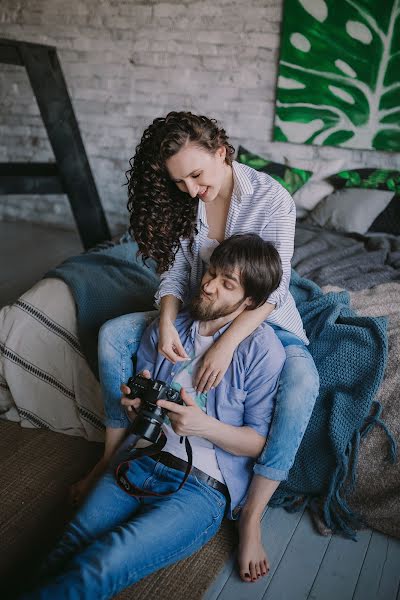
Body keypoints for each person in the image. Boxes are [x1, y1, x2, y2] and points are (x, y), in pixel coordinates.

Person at [69, 111, 320, 582]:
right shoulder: (187, 200)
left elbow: (276, 290)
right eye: (178, 179)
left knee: (304, 378)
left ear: (221, 152)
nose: (188, 188)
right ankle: (110, 459)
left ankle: (250, 516)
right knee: (112, 334)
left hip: (262, 316)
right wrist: (165, 323)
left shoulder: (271, 199)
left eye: (196, 175)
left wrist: (226, 344)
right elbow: (177, 275)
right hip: (195, 311)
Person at [24, 234, 286, 598]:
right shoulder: (170, 330)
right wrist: (135, 404)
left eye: (227, 285)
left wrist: (203, 427)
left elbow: (257, 443)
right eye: (211, 273)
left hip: (201, 490)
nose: (208, 287)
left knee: (103, 562)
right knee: (68, 544)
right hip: (141, 459)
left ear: (251, 301)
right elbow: (141, 411)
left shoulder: (263, 352)